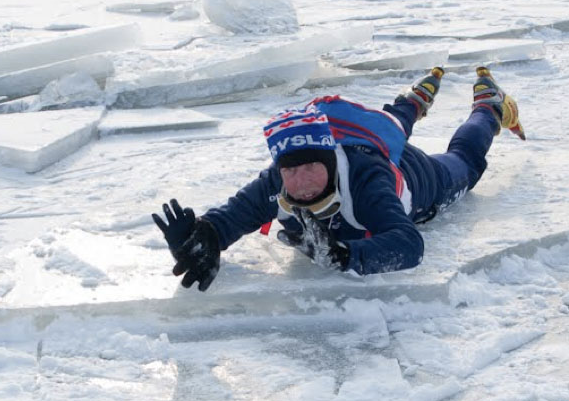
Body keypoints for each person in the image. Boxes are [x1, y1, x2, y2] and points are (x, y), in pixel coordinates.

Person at [152, 66, 524, 291]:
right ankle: (414, 101)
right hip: (363, 140)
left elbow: (409, 245)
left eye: (310, 167)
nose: (300, 181)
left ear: (329, 162)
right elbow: (232, 216)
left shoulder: (367, 184)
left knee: (465, 164)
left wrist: (344, 256)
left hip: (414, 174)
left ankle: (489, 108)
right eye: (290, 170)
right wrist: (204, 238)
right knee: (391, 125)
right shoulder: (277, 182)